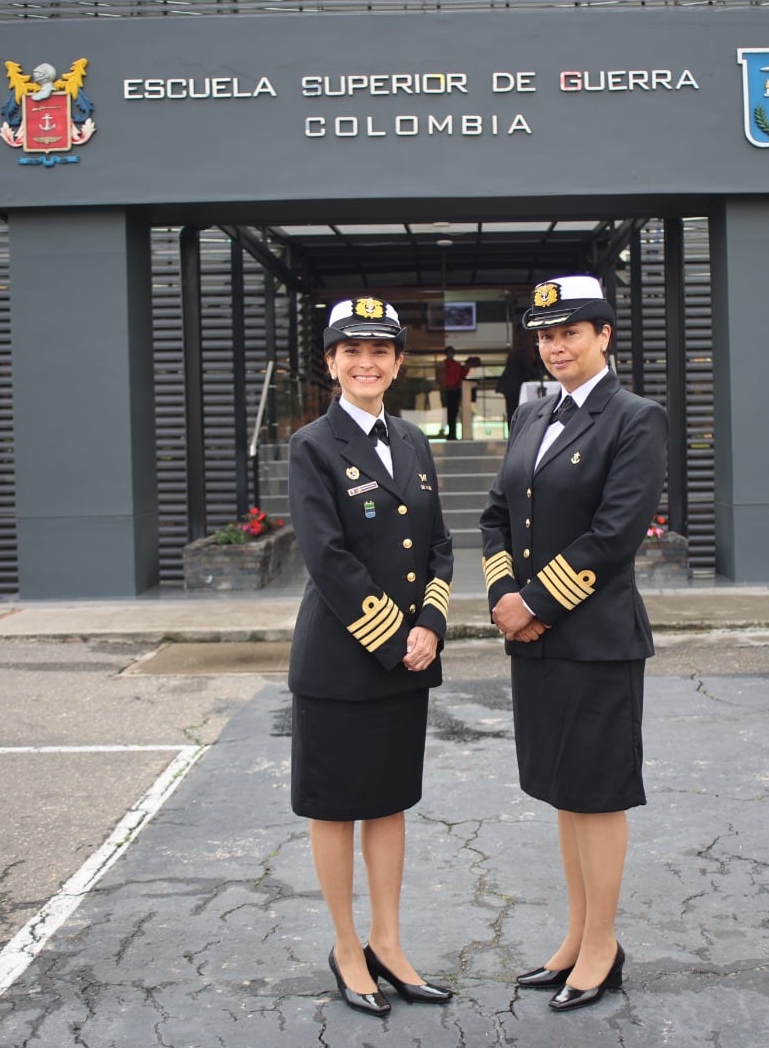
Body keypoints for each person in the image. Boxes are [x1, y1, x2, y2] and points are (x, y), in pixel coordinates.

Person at [479, 274, 667, 1012]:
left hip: (595, 640)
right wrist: (504, 595)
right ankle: (576, 936)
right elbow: (496, 516)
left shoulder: (635, 418)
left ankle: (603, 947)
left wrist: (534, 603)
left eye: (571, 333)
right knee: (563, 792)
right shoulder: (533, 414)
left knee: (596, 794)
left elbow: (615, 535)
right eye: (547, 336)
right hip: (535, 641)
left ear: (604, 336)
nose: (556, 347)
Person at [287, 296, 455, 1017]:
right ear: (331, 363)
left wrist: (432, 625)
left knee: (389, 803)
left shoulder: (413, 439)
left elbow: (439, 543)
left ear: (397, 362)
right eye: (351, 351)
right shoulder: (312, 446)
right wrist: (396, 636)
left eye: (380, 350)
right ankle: (347, 947)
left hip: (406, 659)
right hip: (340, 660)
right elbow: (327, 557)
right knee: (336, 810)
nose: (366, 362)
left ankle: (388, 942)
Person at [494, 333, 540, 430]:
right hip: (512, 386)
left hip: (512, 386)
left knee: (513, 410)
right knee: (513, 411)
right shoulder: (520, 352)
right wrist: (540, 375)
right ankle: (513, 432)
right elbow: (528, 367)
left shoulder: (518, 351)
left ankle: (513, 431)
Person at [440, 346, 471, 439]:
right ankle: (451, 433)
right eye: (449, 353)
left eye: (451, 353)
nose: (451, 355)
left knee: (454, 413)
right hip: (447, 391)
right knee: (449, 413)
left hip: (455, 391)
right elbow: (441, 378)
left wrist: (467, 367)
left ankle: (452, 434)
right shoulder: (443, 365)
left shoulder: (456, 365)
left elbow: (462, 374)